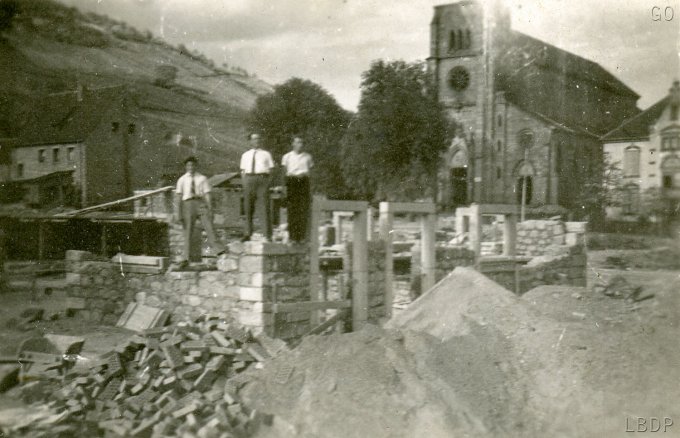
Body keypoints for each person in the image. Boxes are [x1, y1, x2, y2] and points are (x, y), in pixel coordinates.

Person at [173, 156, 225, 268]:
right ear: (186, 167)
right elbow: (178, 198)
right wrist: (178, 213)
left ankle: (219, 251)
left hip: (200, 203)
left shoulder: (202, 178)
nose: (191, 167)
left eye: (193, 165)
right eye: (188, 165)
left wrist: (210, 209)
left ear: (196, 166)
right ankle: (185, 258)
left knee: (209, 226)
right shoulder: (181, 180)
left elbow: (207, 194)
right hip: (188, 204)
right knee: (188, 232)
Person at [239, 133, 274, 241]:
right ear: (250, 141)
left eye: (258, 139)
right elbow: (242, 170)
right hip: (249, 180)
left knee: (264, 207)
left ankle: (267, 235)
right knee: (248, 207)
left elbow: (271, 169)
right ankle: (247, 233)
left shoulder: (266, 154)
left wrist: (267, 182)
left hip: (262, 179)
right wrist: (244, 182)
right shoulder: (245, 155)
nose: (256, 141)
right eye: (254, 139)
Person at [282, 135, 313, 242]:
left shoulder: (307, 157)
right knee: (292, 209)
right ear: (293, 144)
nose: (300, 145)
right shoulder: (287, 157)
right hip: (292, 181)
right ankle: (292, 236)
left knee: (303, 208)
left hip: (303, 181)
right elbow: (285, 172)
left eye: (302, 142)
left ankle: (301, 236)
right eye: (298, 142)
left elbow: (310, 171)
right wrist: (284, 187)